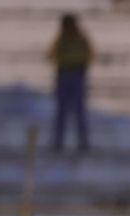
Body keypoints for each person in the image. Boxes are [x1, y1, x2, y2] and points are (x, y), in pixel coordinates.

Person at [48, 14, 93, 152]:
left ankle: (81, 142)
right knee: (63, 112)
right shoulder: (62, 40)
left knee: (78, 112)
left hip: (75, 76)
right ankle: (59, 142)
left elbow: (89, 54)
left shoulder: (79, 39)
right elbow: (51, 55)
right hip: (65, 76)